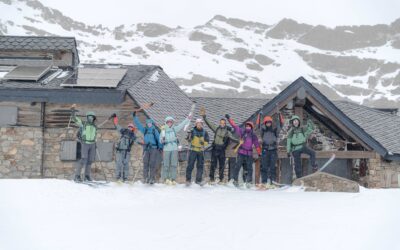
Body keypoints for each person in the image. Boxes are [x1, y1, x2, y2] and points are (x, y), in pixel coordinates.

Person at [200, 107, 236, 184]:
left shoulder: (227, 131)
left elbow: (233, 138)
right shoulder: (216, 128)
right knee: (213, 164)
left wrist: (240, 141)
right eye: (221, 123)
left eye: (223, 123)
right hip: (215, 148)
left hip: (222, 149)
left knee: (222, 165)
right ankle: (211, 178)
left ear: (225, 124)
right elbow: (209, 124)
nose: (222, 124)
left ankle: (221, 179)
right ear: (219, 123)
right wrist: (204, 117)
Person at [226, 114, 261, 188]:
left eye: (249, 126)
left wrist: (259, 153)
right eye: (246, 126)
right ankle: (235, 180)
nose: (247, 127)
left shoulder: (253, 135)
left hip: (249, 154)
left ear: (251, 127)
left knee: (249, 168)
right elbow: (235, 126)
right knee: (237, 166)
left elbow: (257, 144)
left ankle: (248, 182)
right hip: (241, 153)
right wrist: (229, 119)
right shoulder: (242, 132)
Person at [160, 115, 191, 185]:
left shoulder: (174, 129)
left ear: (172, 122)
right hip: (166, 149)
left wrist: (187, 119)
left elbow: (181, 125)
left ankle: (173, 179)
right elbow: (160, 140)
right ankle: (166, 178)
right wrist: (162, 140)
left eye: (171, 122)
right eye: (168, 122)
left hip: (174, 149)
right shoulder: (163, 130)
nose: (169, 123)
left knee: (174, 164)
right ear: (166, 122)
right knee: (166, 164)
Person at [133, 112, 162, 184]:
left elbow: (159, 139)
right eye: (148, 123)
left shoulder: (154, 130)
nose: (149, 124)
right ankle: (145, 178)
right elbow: (138, 125)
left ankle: (152, 178)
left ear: (152, 124)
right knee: (145, 163)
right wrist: (135, 117)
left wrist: (160, 147)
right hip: (146, 148)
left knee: (152, 163)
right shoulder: (145, 130)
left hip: (154, 148)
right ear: (146, 124)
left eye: (150, 123)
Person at [72, 107, 97, 182]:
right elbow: (75, 119)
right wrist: (73, 112)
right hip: (85, 143)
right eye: (89, 116)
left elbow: (94, 135)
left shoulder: (94, 126)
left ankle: (87, 175)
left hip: (92, 144)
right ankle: (77, 176)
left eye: (92, 117)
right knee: (83, 159)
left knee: (90, 160)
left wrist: (95, 141)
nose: (91, 118)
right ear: (87, 117)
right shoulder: (83, 124)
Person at [111, 113, 137, 182]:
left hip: (127, 152)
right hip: (120, 151)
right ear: (127, 127)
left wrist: (144, 143)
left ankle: (125, 178)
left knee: (126, 165)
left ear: (133, 128)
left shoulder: (133, 136)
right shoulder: (123, 131)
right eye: (129, 127)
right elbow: (117, 125)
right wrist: (115, 118)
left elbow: (137, 142)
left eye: (131, 127)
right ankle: (118, 177)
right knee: (119, 164)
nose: (130, 128)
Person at [260, 114, 284, 186]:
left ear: (271, 123)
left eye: (269, 122)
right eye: (267, 122)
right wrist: (260, 116)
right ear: (265, 123)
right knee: (264, 166)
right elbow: (258, 126)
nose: (268, 124)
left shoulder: (274, 130)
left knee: (272, 166)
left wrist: (279, 115)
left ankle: (272, 181)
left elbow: (280, 126)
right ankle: (264, 181)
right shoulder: (263, 130)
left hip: (273, 150)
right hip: (265, 149)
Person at [186, 118, 209, 186]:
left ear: (202, 124)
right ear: (196, 124)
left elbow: (207, 141)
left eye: (200, 124)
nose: (199, 125)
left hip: (201, 151)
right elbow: (188, 140)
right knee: (190, 165)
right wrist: (189, 137)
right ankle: (188, 180)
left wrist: (203, 143)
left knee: (200, 166)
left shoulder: (205, 132)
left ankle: (198, 180)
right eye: (198, 123)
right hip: (193, 150)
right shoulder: (192, 131)